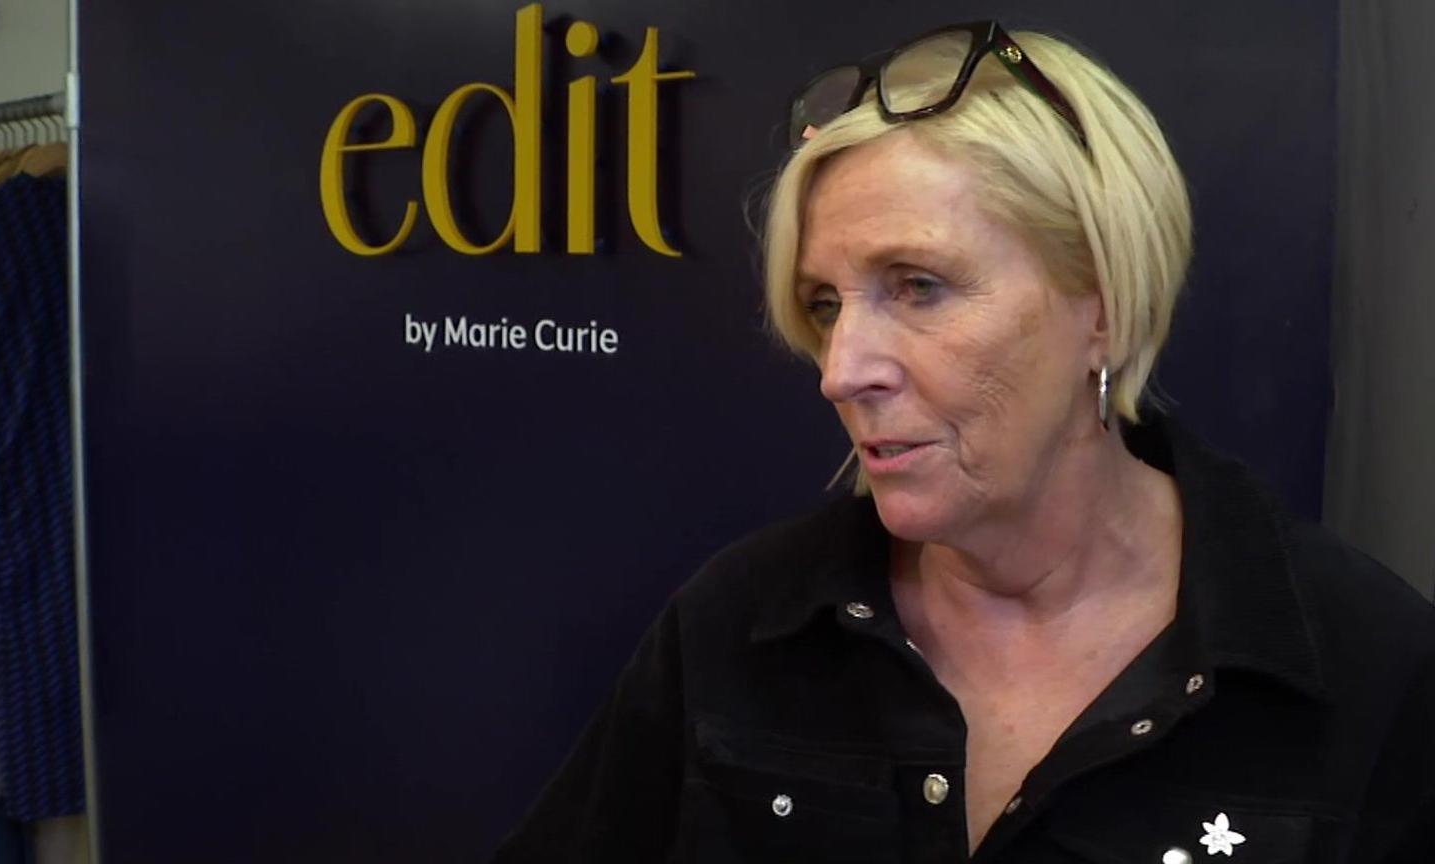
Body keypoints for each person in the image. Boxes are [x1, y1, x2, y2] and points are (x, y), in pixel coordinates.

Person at [493, 21, 1435, 863]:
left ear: (1102, 307)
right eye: (825, 305)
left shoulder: (1360, 672)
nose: (841, 369)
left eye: (919, 287)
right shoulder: (742, 630)